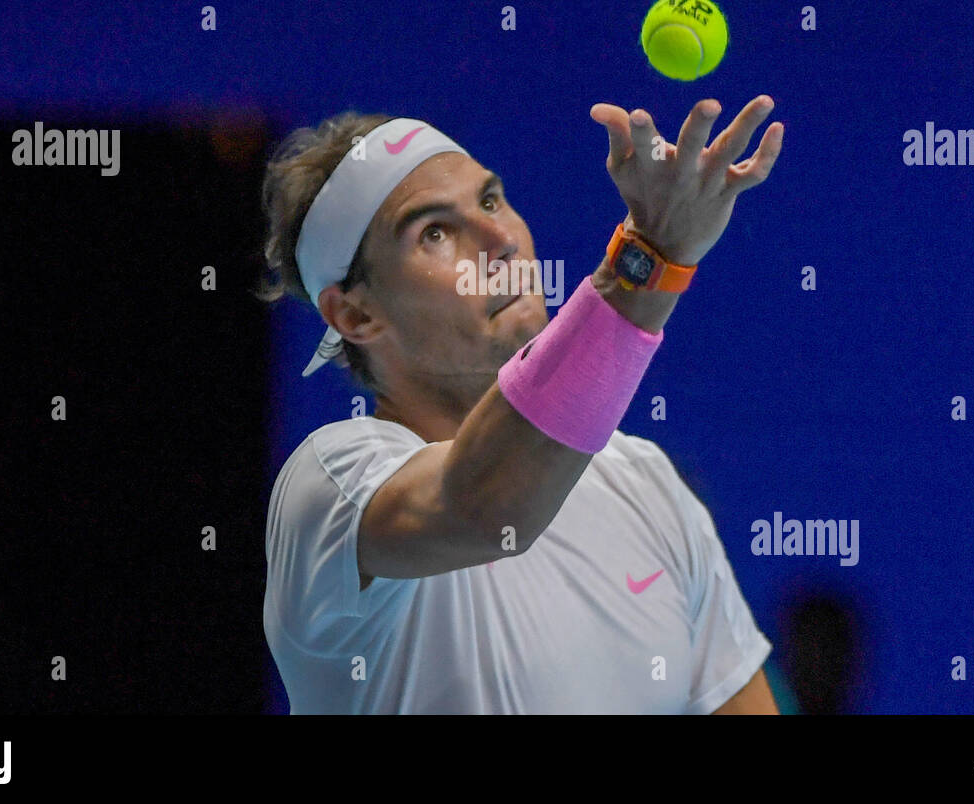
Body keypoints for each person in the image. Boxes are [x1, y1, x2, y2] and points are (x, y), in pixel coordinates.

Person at [259, 96, 784, 713]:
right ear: (355, 313)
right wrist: (651, 258)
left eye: (488, 200)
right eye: (435, 231)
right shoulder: (331, 486)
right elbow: (487, 507)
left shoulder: (645, 483)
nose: (499, 240)